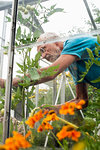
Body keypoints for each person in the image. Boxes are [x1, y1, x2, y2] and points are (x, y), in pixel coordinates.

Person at [0, 32, 100, 112]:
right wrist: (54, 109)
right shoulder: (73, 66)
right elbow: (81, 101)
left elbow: (51, 72)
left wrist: (9, 83)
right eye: (40, 54)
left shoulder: (74, 42)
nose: (43, 56)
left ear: (55, 42)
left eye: (43, 50)